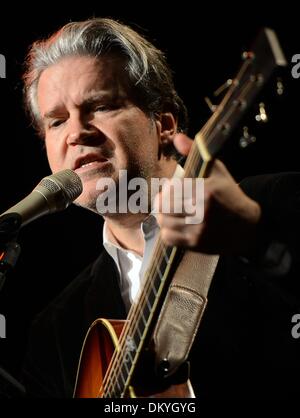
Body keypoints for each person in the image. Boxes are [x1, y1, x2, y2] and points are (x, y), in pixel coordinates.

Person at [20, 17, 300, 399]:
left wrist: (255, 237)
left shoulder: (280, 201)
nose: (76, 133)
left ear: (164, 123)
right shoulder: (55, 330)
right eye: (57, 121)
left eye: (100, 106)